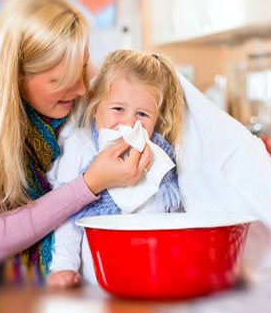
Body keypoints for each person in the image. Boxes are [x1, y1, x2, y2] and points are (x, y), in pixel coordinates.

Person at [0, 0, 152, 313]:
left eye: (82, 68)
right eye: (62, 81)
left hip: (40, 236)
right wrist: (89, 184)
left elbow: (138, 85)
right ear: (16, 75)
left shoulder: (72, 77)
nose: (82, 89)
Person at [44, 50, 186, 287]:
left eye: (142, 114)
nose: (129, 123)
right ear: (96, 107)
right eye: (118, 109)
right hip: (98, 274)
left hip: (150, 267)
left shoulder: (159, 154)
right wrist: (63, 265)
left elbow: (171, 212)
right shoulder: (80, 145)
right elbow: (66, 215)